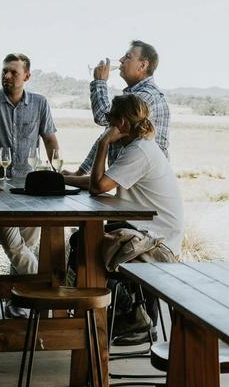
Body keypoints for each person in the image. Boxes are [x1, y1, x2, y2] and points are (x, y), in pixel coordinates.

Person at [65, 94, 183, 343]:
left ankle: (118, 314)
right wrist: (64, 179)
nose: (108, 124)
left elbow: (98, 186)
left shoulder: (139, 151)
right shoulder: (139, 147)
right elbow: (104, 181)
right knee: (84, 239)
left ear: (124, 124)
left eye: (110, 119)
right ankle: (98, 312)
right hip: (147, 230)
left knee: (85, 242)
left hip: (158, 244)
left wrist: (103, 144)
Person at [0, 53, 59, 276]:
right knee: (14, 246)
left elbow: (50, 140)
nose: (6, 75)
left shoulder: (40, 103)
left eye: (13, 72)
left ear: (26, 76)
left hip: (31, 190)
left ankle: (19, 310)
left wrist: (57, 175)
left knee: (28, 248)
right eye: (4, 71)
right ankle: (48, 288)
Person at [76, 40, 170, 174]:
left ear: (142, 65)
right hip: (130, 183)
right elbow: (108, 133)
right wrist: (80, 172)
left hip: (144, 186)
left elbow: (103, 117)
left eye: (127, 57)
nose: (121, 60)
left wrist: (99, 82)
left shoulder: (146, 96)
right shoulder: (136, 95)